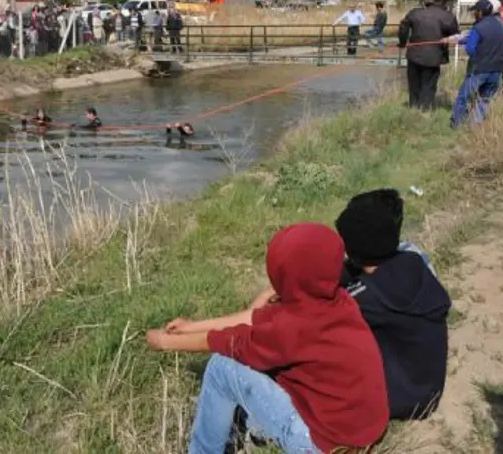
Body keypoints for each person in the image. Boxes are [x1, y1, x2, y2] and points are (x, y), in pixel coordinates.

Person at [147, 223, 389, 454]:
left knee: (221, 368)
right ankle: (250, 427)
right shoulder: (338, 301)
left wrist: (167, 342)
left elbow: (231, 342)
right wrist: (190, 327)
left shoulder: (291, 328)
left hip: (323, 446)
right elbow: (254, 318)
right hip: (365, 432)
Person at [336, 189, 451, 421]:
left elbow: (317, 318)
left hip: (400, 399)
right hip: (426, 389)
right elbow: (352, 270)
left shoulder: (368, 299)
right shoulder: (412, 262)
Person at [447, 0, 503, 128]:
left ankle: (456, 124)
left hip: (479, 70)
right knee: (484, 99)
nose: (474, 13)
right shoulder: (500, 25)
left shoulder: (478, 27)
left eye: (475, 11)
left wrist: (476, 58)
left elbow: (470, 48)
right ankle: (475, 125)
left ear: (480, 12)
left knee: (464, 97)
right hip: (496, 70)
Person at [398, 0, 460, 110]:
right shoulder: (447, 16)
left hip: (414, 55)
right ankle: (424, 112)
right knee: (428, 85)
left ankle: (413, 109)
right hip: (434, 56)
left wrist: (402, 42)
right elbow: (455, 34)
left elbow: (403, 27)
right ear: (444, 4)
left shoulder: (415, 13)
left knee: (414, 84)